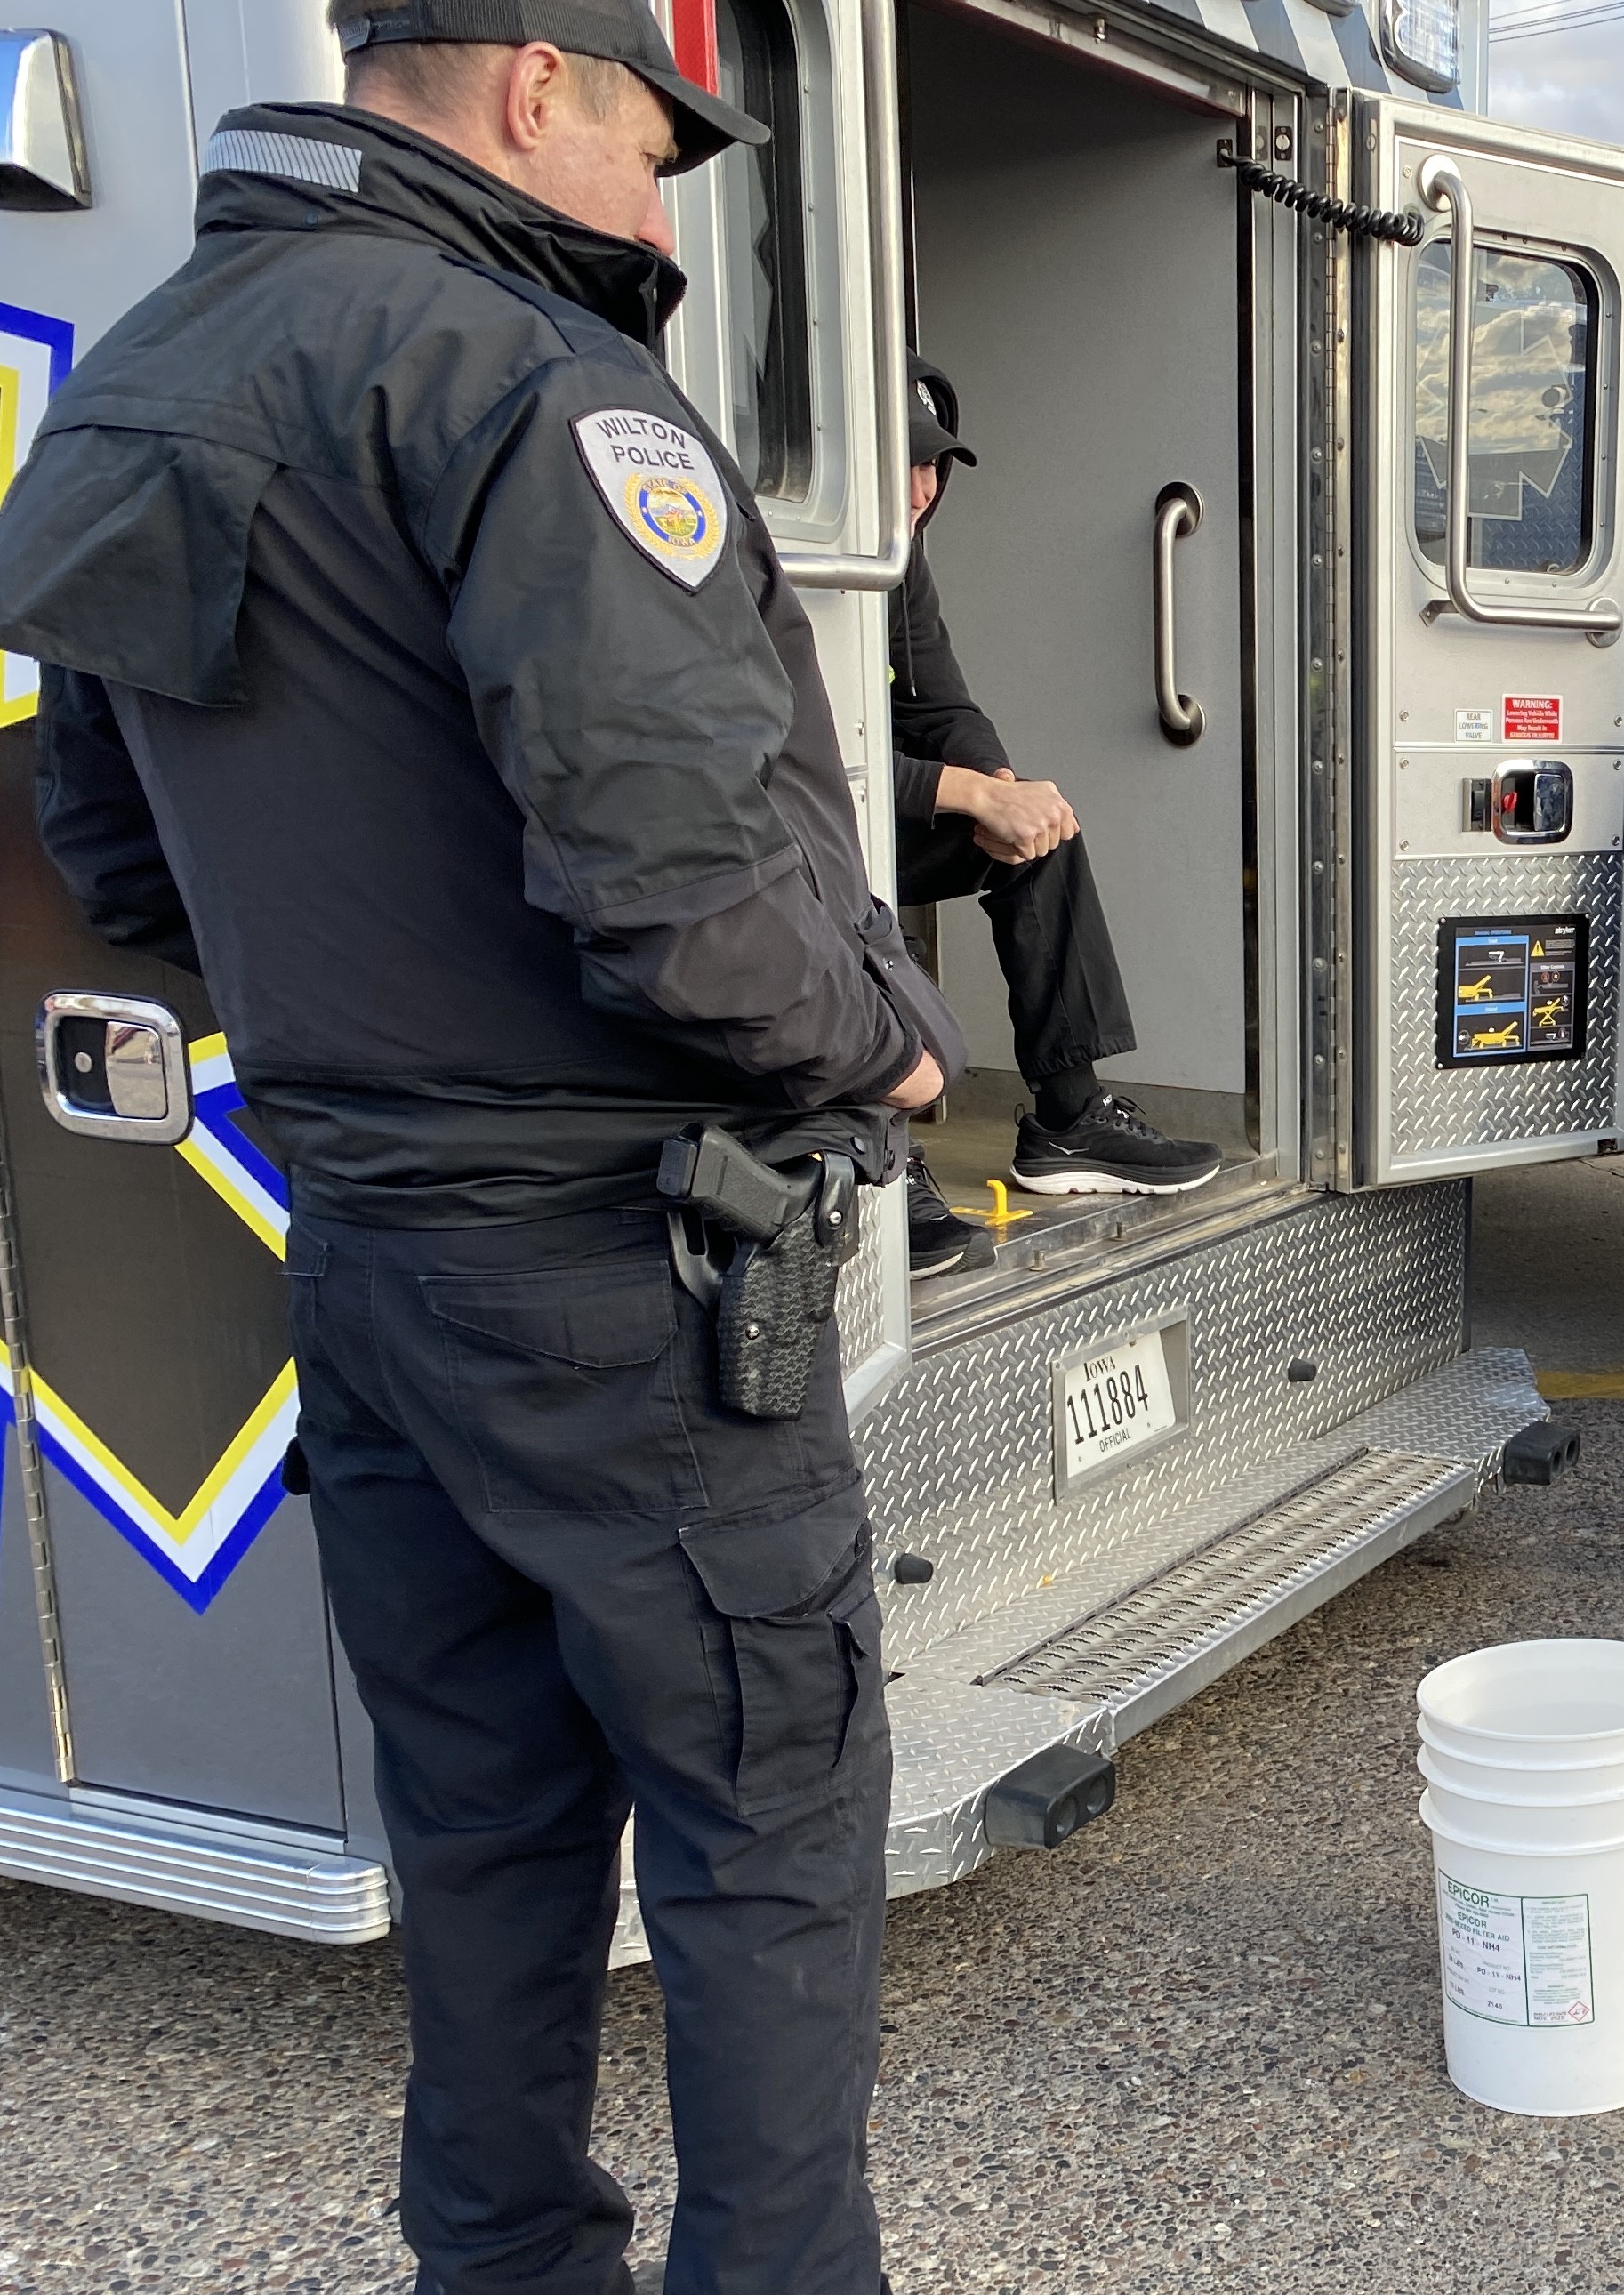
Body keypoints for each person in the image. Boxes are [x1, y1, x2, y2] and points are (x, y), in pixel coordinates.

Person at [0, 7, 963, 2289]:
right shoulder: (539, 387)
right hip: (626, 1268)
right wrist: (895, 1058)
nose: (660, 205)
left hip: (372, 1263)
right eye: (653, 145)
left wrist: (370, 1012)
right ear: (536, 84)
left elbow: (111, 855)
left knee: (483, 1827)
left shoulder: (148, 372)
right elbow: (677, 897)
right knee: (766, 1830)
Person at [885, 359, 1218, 1276]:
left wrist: (999, 789)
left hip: (861, 801)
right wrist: (966, 795)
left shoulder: (898, 553)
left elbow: (937, 705)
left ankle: (1070, 1124)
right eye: (900, 462)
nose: (921, 489)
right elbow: (796, 763)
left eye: (934, 466)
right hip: (779, 831)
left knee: (1040, 835)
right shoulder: (780, 548)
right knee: (848, 887)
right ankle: (874, 1158)